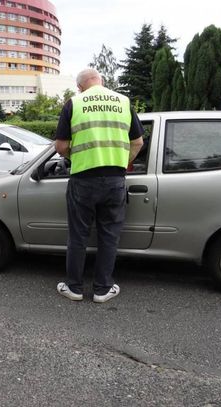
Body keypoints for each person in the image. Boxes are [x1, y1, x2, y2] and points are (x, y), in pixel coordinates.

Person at [55, 68, 144, 303]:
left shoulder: (74, 103)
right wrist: (120, 163)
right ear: (101, 82)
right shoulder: (123, 102)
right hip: (115, 180)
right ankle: (102, 289)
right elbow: (137, 142)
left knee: (78, 236)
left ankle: (73, 287)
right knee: (109, 236)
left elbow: (61, 147)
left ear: (80, 86)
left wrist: (81, 158)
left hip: (83, 179)